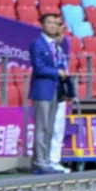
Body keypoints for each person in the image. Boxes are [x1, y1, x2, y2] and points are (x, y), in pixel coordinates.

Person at [29, 12, 69, 174]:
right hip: (43, 90)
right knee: (42, 126)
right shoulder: (38, 44)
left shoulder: (56, 45)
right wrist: (56, 72)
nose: (53, 26)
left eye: (56, 23)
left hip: (55, 90)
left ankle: (45, 160)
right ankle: (40, 162)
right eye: (49, 23)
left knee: (50, 127)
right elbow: (39, 67)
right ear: (42, 25)